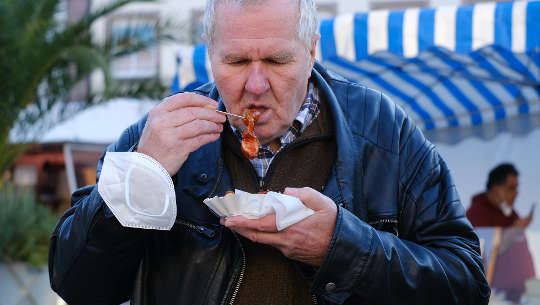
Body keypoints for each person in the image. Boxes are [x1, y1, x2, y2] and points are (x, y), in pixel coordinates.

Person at [48, 0, 489, 304]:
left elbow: (466, 284)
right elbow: (79, 288)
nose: (255, 88)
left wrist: (343, 247)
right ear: (210, 51)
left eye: (277, 61)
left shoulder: (384, 131)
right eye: (236, 62)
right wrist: (139, 180)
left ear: (311, 49)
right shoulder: (159, 134)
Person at [467, 163, 534, 228]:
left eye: (516, 188)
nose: (516, 193)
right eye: (511, 188)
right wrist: (513, 232)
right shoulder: (475, 215)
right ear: (495, 190)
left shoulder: (511, 215)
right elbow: (482, 238)